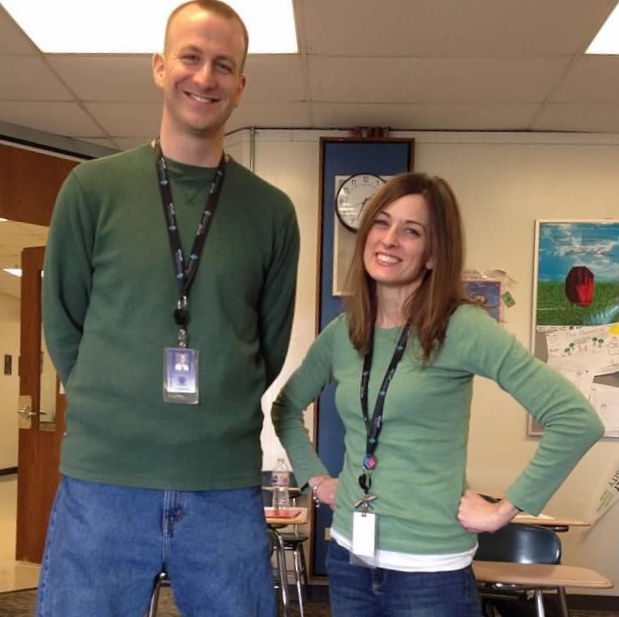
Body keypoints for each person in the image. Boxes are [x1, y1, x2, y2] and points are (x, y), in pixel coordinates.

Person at [38, 2, 299, 616]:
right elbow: (64, 323)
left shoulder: (271, 213)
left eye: (222, 65)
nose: (204, 78)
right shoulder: (91, 190)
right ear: (160, 66)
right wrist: (117, 403)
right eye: (190, 57)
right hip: (104, 480)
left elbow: (268, 343)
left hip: (223, 485)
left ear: (241, 84)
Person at [271, 172, 603, 617]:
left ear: (432, 255)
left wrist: (503, 509)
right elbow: (286, 407)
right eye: (381, 222)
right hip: (350, 557)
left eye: (411, 231)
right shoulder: (343, 334)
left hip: (429, 573)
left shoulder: (460, 327)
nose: (389, 240)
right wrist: (316, 478)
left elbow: (576, 419)